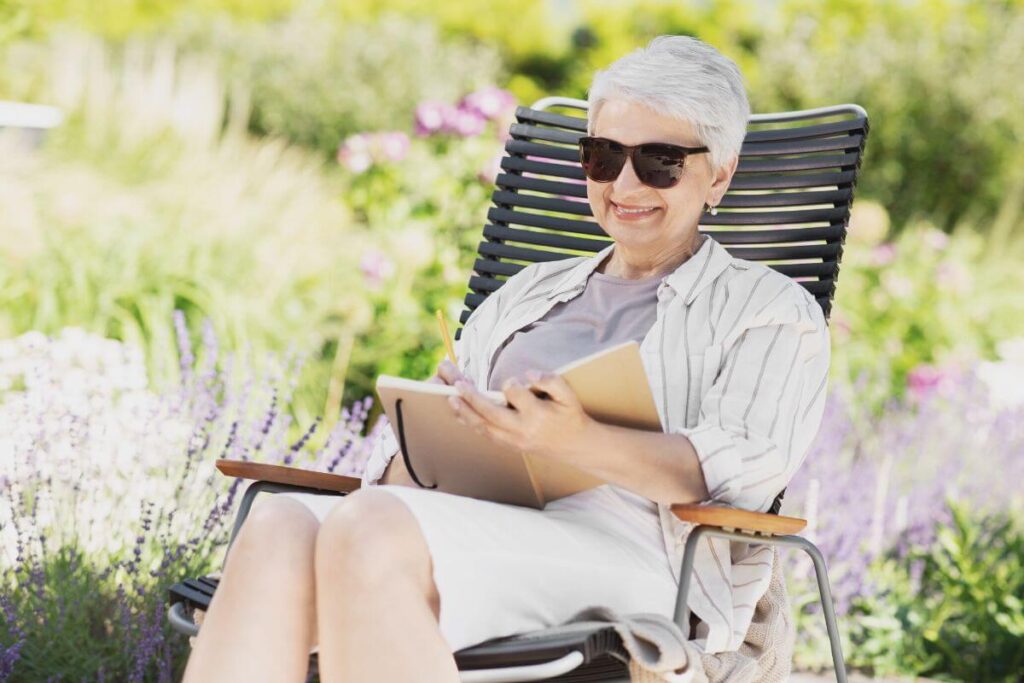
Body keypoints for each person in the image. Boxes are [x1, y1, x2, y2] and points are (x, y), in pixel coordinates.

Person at [182, 35, 830, 683]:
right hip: (483, 522)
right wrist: (443, 429)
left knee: (371, 527)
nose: (625, 184)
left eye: (659, 161)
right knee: (278, 526)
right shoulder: (528, 292)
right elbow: (411, 484)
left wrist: (577, 438)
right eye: (603, 156)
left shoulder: (769, 311)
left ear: (719, 173)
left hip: (643, 555)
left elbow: (731, 476)